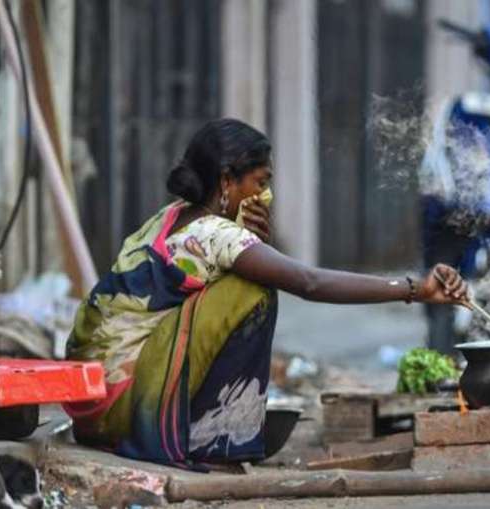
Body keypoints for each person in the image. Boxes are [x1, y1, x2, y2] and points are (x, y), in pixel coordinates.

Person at [64, 118, 468, 467]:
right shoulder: (215, 233)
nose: (266, 195)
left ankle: (194, 427)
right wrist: (415, 288)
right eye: (259, 182)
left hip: (90, 403)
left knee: (244, 281)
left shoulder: (172, 216)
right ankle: (214, 440)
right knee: (255, 290)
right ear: (226, 180)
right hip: (120, 408)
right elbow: (309, 282)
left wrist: (254, 240)